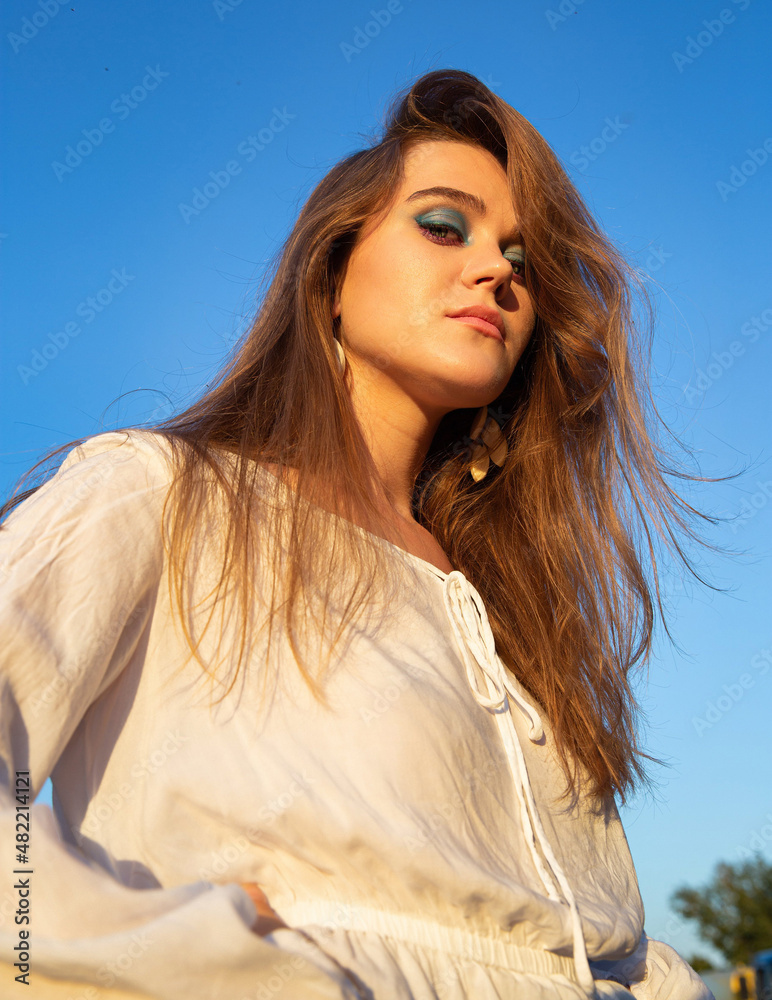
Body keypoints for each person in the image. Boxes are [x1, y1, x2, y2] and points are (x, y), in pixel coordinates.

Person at [0, 69, 719, 999]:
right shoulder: (161, 493)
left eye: (523, 259)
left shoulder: (512, 611)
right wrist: (189, 955)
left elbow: (603, 942)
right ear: (333, 273)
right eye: (444, 226)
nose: (498, 271)